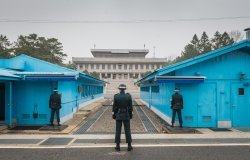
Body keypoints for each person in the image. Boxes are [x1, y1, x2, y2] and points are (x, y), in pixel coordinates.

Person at [112, 84, 133, 151]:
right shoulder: (128, 96)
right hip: (126, 114)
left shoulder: (116, 96)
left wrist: (114, 114)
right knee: (128, 131)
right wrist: (131, 115)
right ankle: (129, 146)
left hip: (118, 114)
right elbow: (131, 107)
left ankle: (117, 146)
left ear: (119, 89)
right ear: (125, 89)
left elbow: (114, 107)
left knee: (118, 131)